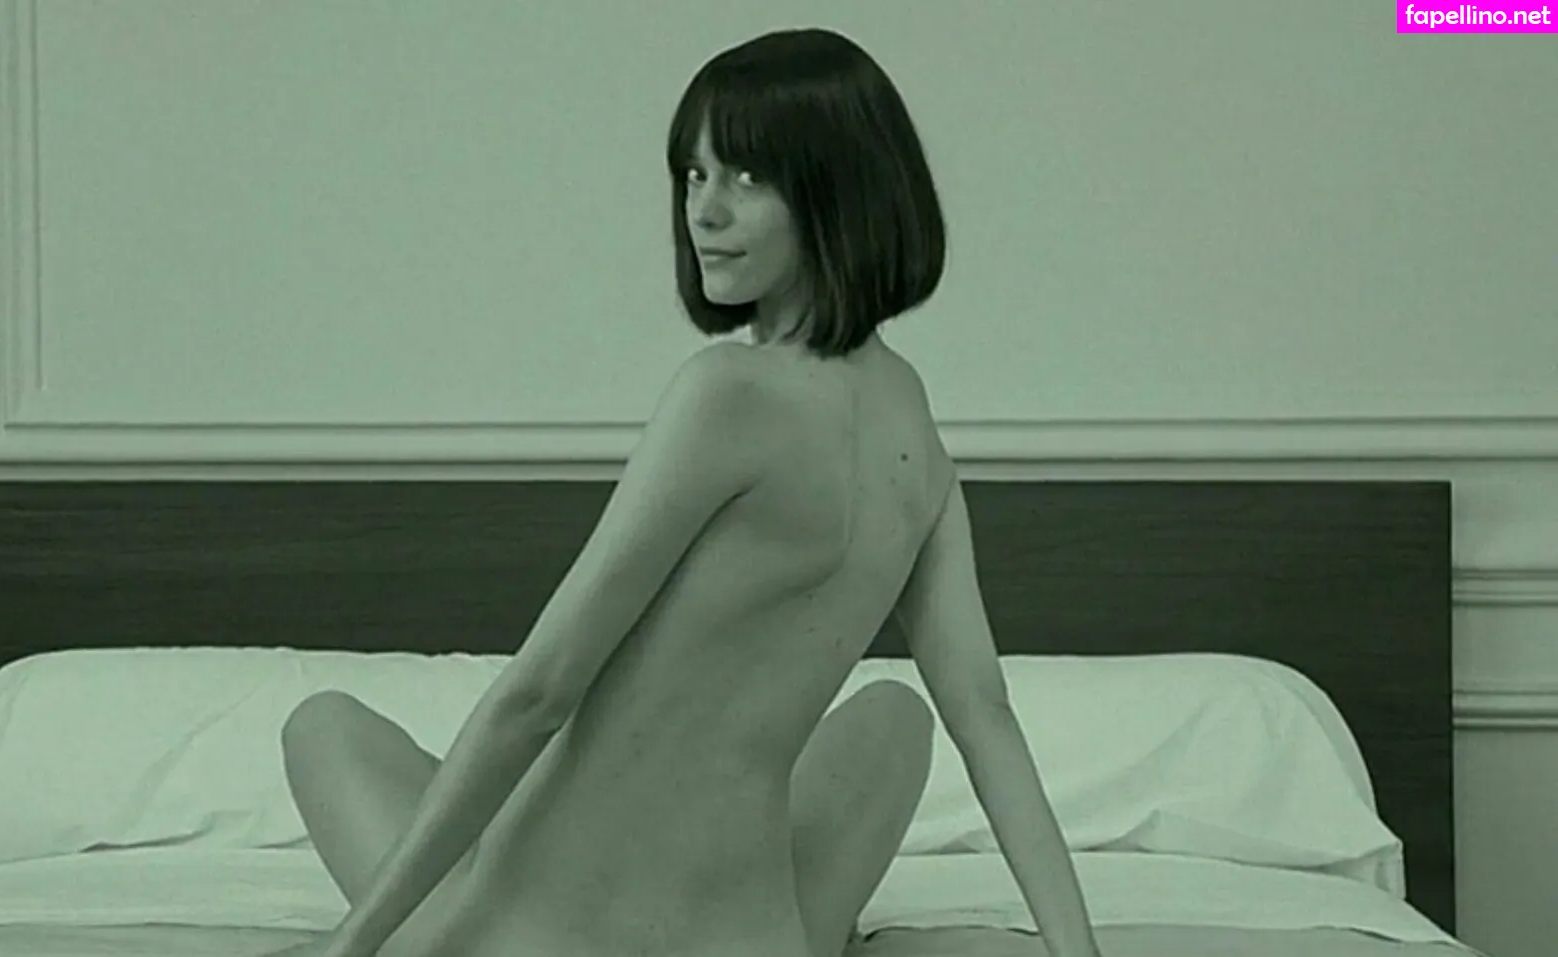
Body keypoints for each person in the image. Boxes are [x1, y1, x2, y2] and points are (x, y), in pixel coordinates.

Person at [273, 26, 1102, 957]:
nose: (704, 210)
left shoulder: (727, 395)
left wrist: (351, 947)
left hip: (552, 935)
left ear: (838, 189)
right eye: (694, 174)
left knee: (322, 725)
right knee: (902, 713)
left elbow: (539, 691)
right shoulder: (918, 430)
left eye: (747, 177)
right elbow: (984, 715)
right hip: (756, 937)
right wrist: (1078, 950)